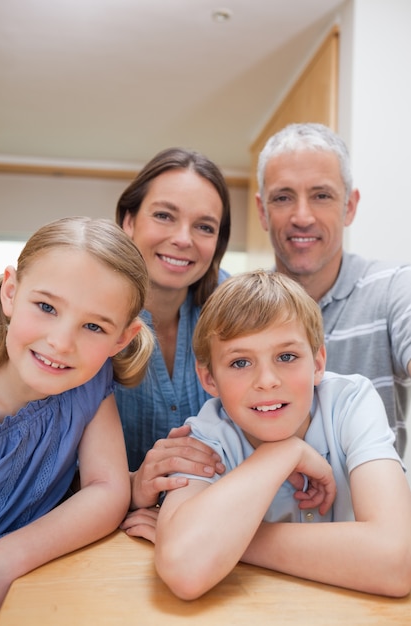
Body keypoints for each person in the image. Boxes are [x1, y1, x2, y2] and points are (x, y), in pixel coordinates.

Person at [153, 270, 411, 600]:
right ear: (209, 379)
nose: (267, 380)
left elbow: (396, 562)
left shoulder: (351, 403)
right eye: (240, 362)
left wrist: (233, 542)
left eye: (286, 357)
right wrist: (283, 452)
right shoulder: (206, 437)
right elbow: (184, 569)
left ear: (318, 363)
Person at [0, 216, 154, 617]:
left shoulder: (90, 383)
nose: (62, 342)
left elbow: (108, 489)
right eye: (46, 307)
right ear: (11, 292)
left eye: (94, 327)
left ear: (123, 338)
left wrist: (8, 559)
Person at [255, 122, 411, 458]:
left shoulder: (393, 288)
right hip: (263, 512)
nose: (302, 216)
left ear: (349, 207)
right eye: (283, 197)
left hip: (372, 510)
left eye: (321, 195)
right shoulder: (241, 308)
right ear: (262, 211)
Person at [114, 147, 230, 511]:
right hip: (96, 529)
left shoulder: (236, 309)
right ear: (128, 221)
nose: (183, 239)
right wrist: (133, 486)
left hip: (213, 525)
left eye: (204, 227)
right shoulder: (87, 312)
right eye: (164, 215)